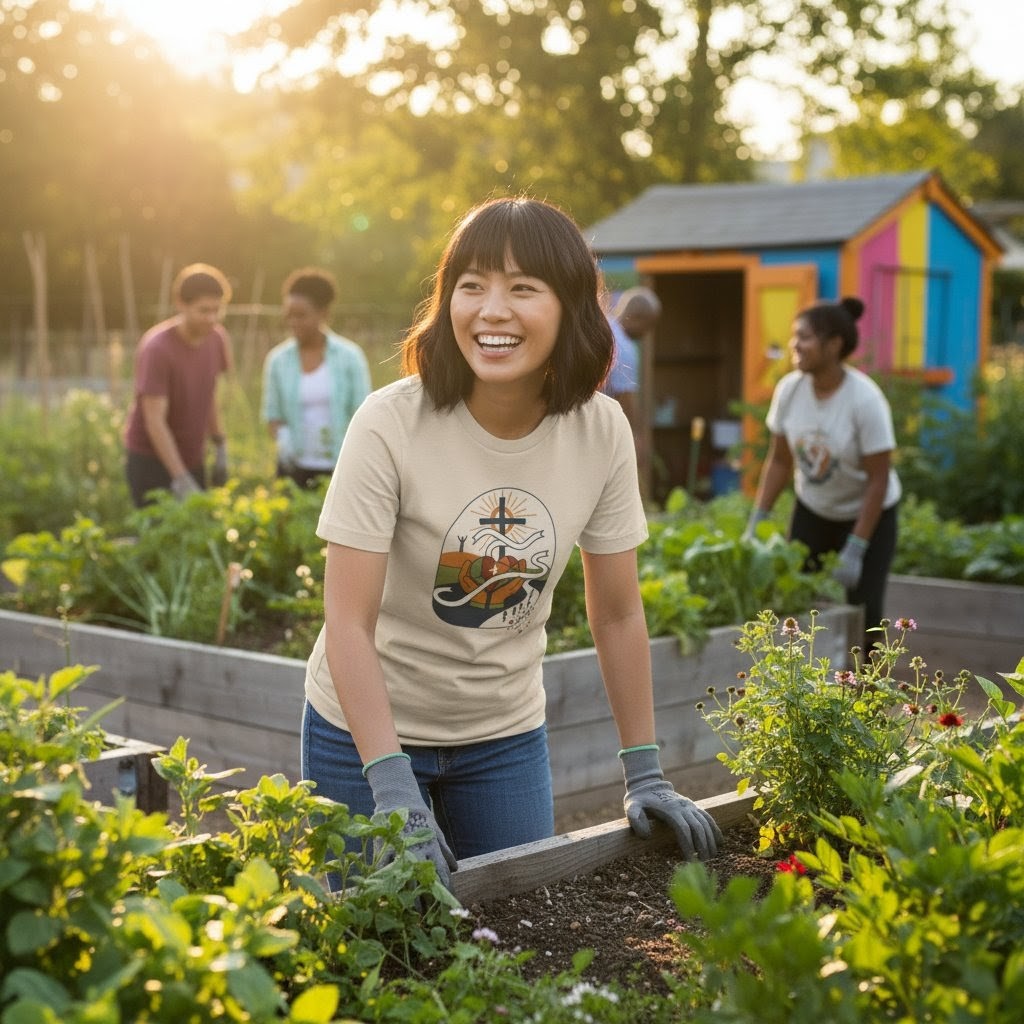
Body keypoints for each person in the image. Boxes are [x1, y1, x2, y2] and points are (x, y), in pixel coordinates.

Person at [301, 197, 721, 889]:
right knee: (371, 944)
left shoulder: (601, 431)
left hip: (502, 738)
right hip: (362, 736)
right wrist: (392, 785)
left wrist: (645, 771)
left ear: (570, 308)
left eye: (522, 288)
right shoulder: (388, 424)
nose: (491, 310)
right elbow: (347, 621)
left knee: (518, 940)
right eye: (471, 285)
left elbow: (616, 612)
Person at [745, 296, 901, 650]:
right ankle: (800, 689)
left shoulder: (865, 400)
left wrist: (856, 547)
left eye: (805, 337)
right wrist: (758, 518)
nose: (794, 345)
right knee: (795, 602)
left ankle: (871, 697)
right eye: (794, 336)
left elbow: (879, 478)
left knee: (867, 611)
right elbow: (781, 461)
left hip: (868, 515)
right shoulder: (790, 389)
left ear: (834, 345)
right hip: (813, 510)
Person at [123, 263, 232, 507]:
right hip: (150, 461)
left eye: (217, 310)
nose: (211, 318)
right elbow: (155, 421)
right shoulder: (158, 349)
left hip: (193, 455)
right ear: (181, 304)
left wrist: (219, 443)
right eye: (203, 310)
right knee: (157, 537)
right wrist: (180, 478)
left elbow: (209, 393)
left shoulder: (216, 338)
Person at [261, 267, 372, 488]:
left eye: (301, 315)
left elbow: (364, 415)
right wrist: (284, 440)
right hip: (293, 467)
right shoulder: (278, 360)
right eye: (289, 315)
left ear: (323, 314)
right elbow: (272, 414)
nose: (293, 322)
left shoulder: (349, 358)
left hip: (340, 465)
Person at [602, 285, 662, 435]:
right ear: (638, 318)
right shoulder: (623, 347)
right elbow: (626, 401)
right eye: (649, 325)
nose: (647, 332)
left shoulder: (604, 326)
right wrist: (636, 437)